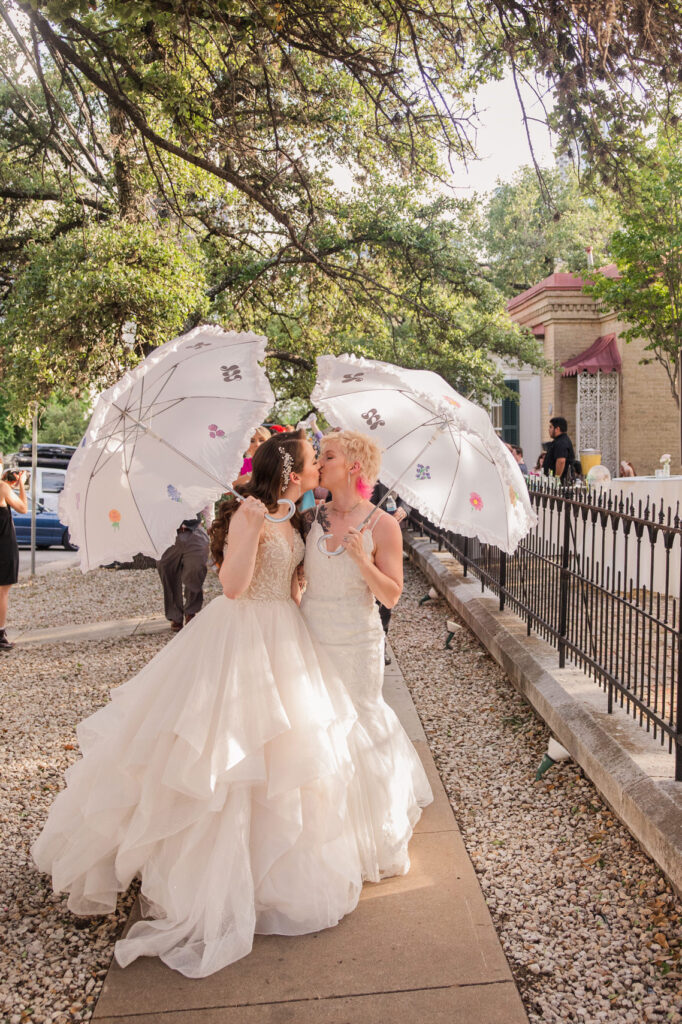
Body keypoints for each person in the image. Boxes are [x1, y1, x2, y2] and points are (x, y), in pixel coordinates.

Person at [32, 431, 365, 978]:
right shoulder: (248, 513)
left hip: (285, 635)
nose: (315, 471)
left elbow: (292, 582)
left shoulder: (298, 517)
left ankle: (270, 876)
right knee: (228, 760)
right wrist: (251, 528)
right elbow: (232, 588)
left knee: (284, 761)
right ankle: (213, 882)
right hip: (239, 636)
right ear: (289, 471)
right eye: (311, 462)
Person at [300, 429, 433, 881]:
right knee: (315, 728)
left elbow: (392, 595)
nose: (319, 461)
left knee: (356, 723)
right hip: (311, 634)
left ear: (354, 467)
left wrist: (362, 560)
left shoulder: (383, 524)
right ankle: (320, 833)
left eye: (329, 456)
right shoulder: (312, 516)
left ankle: (363, 836)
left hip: (356, 641)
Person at [156, 507, 212, 632]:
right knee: (166, 571)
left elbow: (206, 500)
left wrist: (210, 523)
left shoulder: (196, 486)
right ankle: (175, 615)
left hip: (194, 531)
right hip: (166, 535)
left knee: (196, 569)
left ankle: (191, 612)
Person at [0, 457, 28, 652]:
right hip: (3, 545)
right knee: (2, 592)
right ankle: (0, 635)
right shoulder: (2, 487)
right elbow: (23, 508)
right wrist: (22, 485)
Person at [543, 416, 576, 483]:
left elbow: (561, 461)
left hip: (563, 483)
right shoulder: (558, 441)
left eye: (551, 427)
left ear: (557, 429)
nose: (549, 430)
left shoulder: (561, 442)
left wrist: (556, 480)